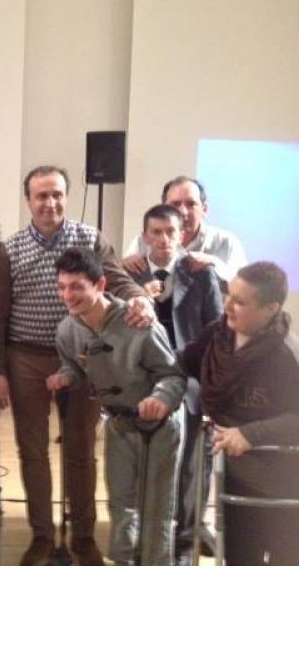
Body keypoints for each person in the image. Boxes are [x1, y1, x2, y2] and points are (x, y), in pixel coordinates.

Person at [0, 165, 154, 566]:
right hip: (26, 358)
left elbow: (118, 280)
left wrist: (140, 298)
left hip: (84, 355)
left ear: (66, 196)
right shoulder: (10, 250)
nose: (50, 203)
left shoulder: (90, 238)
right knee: (32, 450)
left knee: (80, 448)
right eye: (41, 195)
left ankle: (83, 536)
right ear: (28, 200)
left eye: (57, 194)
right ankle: (42, 535)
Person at [47, 248, 186, 565]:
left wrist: (160, 399)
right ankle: (123, 564)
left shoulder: (138, 321)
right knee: (121, 505)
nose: (68, 295)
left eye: (77, 286)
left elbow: (172, 376)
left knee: (156, 509)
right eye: (62, 287)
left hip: (160, 427)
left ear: (100, 284)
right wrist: (65, 377)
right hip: (119, 425)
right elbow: (75, 367)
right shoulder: (67, 329)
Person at [182, 262, 299, 565]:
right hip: (236, 477)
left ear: (270, 309)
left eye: (240, 301)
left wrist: (250, 434)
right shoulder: (217, 334)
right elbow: (183, 363)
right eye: (228, 294)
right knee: (239, 559)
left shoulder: (287, 356)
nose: (227, 306)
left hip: (284, 486)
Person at [129, 203, 224, 563]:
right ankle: (143, 531)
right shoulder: (131, 275)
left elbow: (216, 331)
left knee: (190, 454)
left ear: (182, 234)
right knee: (138, 451)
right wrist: (140, 298)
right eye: (156, 232)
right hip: (142, 374)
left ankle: (185, 536)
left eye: (170, 232)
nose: (164, 239)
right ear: (145, 236)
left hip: (188, 375)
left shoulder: (200, 274)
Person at [124, 176, 247, 289]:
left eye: (191, 204)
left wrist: (214, 264)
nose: (183, 211)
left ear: (204, 210)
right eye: (176, 204)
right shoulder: (142, 242)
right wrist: (124, 266)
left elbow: (245, 288)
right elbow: (123, 285)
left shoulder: (226, 242)